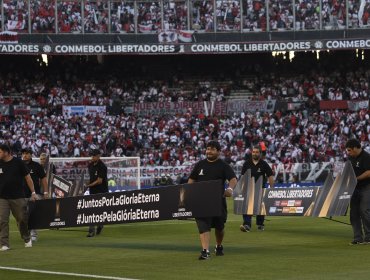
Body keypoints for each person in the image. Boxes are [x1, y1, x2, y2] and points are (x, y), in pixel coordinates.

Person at [188, 140, 237, 260]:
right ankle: (205, 251)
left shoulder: (223, 165)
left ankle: (218, 245)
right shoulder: (200, 165)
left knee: (219, 228)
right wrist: (190, 192)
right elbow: (191, 180)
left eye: (212, 149)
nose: (209, 151)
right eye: (208, 148)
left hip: (218, 202)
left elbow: (233, 179)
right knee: (203, 226)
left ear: (218, 152)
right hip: (201, 202)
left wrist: (230, 189)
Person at [0, 144, 37, 251]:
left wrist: (33, 192)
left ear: (6, 152)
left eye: (0, 152)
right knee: (2, 220)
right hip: (2, 197)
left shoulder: (18, 162)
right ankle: (4, 244)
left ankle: (26, 238)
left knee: (21, 219)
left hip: (18, 196)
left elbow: (28, 177)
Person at [240, 145, 274, 232]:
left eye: (256, 152)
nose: (254, 154)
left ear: (260, 153)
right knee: (247, 206)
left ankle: (260, 224)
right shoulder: (247, 163)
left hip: (261, 188)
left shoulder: (264, 164)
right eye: (253, 152)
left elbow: (270, 176)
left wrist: (271, 188)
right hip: (248, 189)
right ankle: (247, 224)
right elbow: (242, 176)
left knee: (260, 208)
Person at [345, 139, 370, 245]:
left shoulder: (366, 157)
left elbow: (369, 172)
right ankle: (357, 238)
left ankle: (368, 237)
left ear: (355, 148)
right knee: (354, 213)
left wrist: (357, 178)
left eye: (350, 150)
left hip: (366, 187)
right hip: (354, 188)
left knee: (364, 210)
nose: (348, 153)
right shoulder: (350, 158)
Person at [21, 148, 48, 242]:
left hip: (34, 195)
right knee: (22, 216)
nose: (24, 155)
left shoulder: (37, 166)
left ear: (31, 155)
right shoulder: (19, 165)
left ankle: (33, 234)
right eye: (23, 153)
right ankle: (25, 233)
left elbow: (44, 179)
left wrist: (45, 192)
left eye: (27, 153)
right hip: (21, 195)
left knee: (33, 214)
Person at [86, 149, 108, 237]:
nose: (92, 157)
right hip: (92, 191)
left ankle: (100, 225)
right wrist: (88, 183)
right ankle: (91, 231)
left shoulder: (102, 166)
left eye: (94, 156)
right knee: (91, 211)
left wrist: (89, 185)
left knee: (99, 211)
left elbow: (99, 181)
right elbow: (91, 177)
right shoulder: (90, 165)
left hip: (101, 191)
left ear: (98, 156)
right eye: (92, 155)